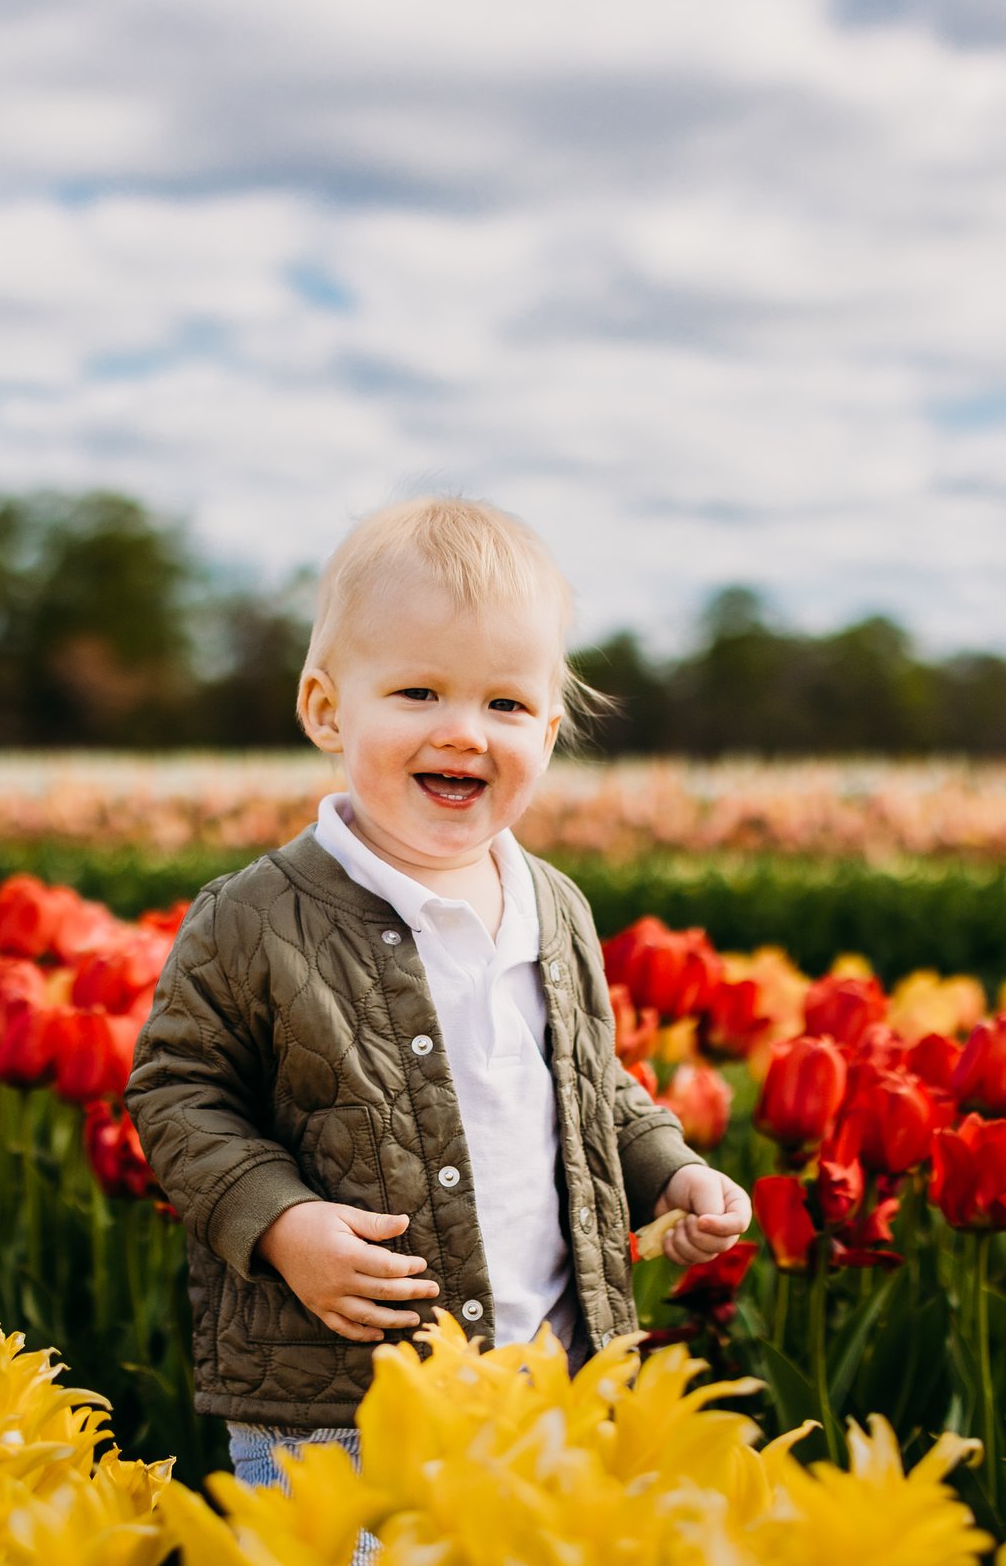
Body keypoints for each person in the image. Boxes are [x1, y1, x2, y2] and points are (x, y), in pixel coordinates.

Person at [126, 494, 752, 1501]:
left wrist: (668, 1170)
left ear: (549, 730)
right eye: (418, 692)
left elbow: (591, 1087)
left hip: (553, 1377)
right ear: (327, 708)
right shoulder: (255, 915)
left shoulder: (554, 907)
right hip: (347, 1398)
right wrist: (281, 1222)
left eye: (505, 704)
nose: (464, 731)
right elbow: (177, 1094)